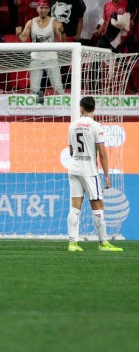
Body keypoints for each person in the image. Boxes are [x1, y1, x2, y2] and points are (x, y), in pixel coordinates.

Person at [67, 96, 123, 252]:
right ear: (94, 108)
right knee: (97, 204)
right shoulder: (96, 126)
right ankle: (103, 243)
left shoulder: (72, 126)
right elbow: (102, 153)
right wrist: (106, 175)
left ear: (81, 108)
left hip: (74, 169)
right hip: (89, 171)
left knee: (75, 207)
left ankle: (72, 243)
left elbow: (71, 151)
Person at [15, 0, 66, 104]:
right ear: (37, 9)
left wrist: (62, 31)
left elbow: (62, 41)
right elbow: (23, 39)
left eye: (46, 8)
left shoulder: (54, 22)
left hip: (51, 58)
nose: (43, 10)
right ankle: (35, 111)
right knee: (34, 89)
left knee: (58, 87)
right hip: (36, 59)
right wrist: (18, 34)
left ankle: (65, 110)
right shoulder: (31, 22)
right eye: (41, 7)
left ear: (49, 10)